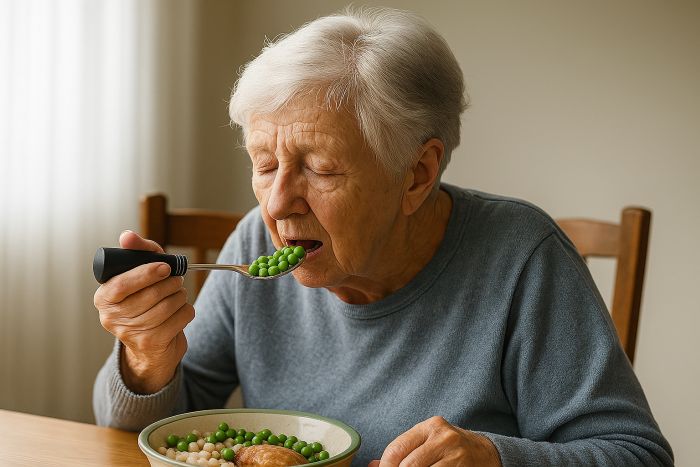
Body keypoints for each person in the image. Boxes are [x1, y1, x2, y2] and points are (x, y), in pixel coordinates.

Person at [93, 7, 673, 466]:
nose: (276, 204)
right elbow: (151, 434)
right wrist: (147, 360)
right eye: (264, 164)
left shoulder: (523, 256)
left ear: (416, 174)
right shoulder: (254, 245)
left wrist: (499, 458)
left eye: (319, 168)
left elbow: (637, 454)